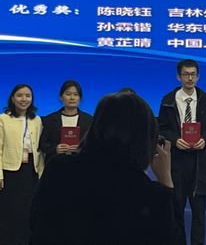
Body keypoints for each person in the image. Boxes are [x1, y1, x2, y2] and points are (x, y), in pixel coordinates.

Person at [30, 88, 177, 245]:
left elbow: (35, 222)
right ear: (146, 137)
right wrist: (166, 180)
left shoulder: (58, 168)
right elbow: (171, 238)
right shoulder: (151, 195)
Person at [158, 59, 206, 245]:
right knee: (176, 210)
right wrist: (175, 140)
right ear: (179, 77)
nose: (190, 78)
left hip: (199, 162)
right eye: (186, 74)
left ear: (198, 76)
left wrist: (205, 139)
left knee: (199, 213)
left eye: (193, 74)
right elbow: (162, 128)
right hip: (176, 161)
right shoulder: (168, 100)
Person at [0, 84, 44, 245]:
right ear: (12, 98)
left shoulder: (37, 120)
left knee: (28, 209)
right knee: (9, 209)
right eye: (19, 95)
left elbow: (40, 149)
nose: (24, 99)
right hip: (9, 170)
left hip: (31, 170)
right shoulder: (3, 119)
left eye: (27, 96)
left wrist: (42, 173)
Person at [39, 80, 93, 161]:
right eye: (68, 94)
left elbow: (94, 144)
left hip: (81, 163)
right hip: (56, 163)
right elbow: (43, 145)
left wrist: (82, 149)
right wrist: (55, 149)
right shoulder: (50, 119)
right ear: (61, 97)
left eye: (76, 94)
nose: (72, 98)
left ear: (80, 98)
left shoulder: (89, 120)